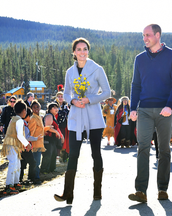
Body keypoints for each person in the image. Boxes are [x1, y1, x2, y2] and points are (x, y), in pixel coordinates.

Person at [128, 24, 172, 203]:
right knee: (143, 147)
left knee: (164, 150)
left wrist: (169, 105)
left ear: (157, 35)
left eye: (148, 35)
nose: (145, 38)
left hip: (164, 111)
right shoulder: (140, 59)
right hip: (143, 110)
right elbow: (135, 85)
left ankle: (162, 189)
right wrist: (133, 108)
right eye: (143, 35)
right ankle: (141, 191)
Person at [54, 37, 110, 204]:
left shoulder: (97, 69)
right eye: (79, 49)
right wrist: (72, 101)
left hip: (93, 115)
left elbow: (106, 92)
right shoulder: (69, 72)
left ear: (88, 50)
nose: (82, 52)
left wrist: (90, 99)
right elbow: (66, 93)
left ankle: (97, 192)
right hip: (76, 116)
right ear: (74, 52)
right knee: (73, 155)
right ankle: (67, 194)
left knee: (96, 153)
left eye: (85, 49)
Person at [0, 99, 31, 195]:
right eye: (25, 110)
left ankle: (15, 183)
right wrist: (27, 144)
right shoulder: (19, 121)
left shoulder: (13, 119)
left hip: (12, 145)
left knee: (17, 164)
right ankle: (9, 186)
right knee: (13, 164)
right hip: (12, 145)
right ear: (23, 111)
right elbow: (20, 136)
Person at [20, 107, 43, 185]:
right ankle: (31, 178)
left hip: (23, 147)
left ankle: (20, 180)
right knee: (32, 162)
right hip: (25, 147)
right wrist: (36, 138)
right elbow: (26, 137)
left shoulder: (23, 123)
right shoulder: (24, 124)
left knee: (22, 164)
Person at [41, 102, 63, 174]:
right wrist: (56, 132)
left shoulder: (53, 116)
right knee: (48, 154)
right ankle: (44, 170)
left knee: (53, 154)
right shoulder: (49, 115)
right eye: (54, 108)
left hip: (52, 139)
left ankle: (51, 169)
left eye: (57, 108)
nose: (57, 109)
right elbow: (47, 127)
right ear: (50, 109)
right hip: (47, 138)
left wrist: (61, 135)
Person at [28, 100, 46, 181]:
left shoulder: (39, 117)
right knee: (36, 162)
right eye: (34, 108)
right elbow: (31, 133)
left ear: (40, 107)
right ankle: (35, 177)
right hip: (35, 144)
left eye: (37, 107)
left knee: (37, 161)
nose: (36, 109)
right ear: (31, 109)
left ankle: (34, 176)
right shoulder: (33, 118)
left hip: (39, 143)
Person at [55, 91, 70, 162]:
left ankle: (64, 157)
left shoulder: (66, 106)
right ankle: (56, 157)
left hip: (64, 126)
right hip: (56, 126)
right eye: (59, 96)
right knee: (57, 141)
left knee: (64, 142)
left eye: (61, 97)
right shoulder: (54, 105)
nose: (60, 98)